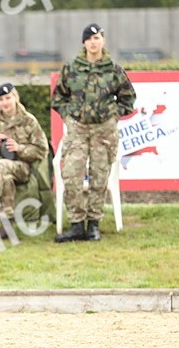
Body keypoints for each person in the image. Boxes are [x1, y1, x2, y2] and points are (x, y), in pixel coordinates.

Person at [50, 23, 136, 242]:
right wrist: (69, 116)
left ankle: (94, 224)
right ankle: (77, 224)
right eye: (89, 39)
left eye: (97, 38)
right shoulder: (71, 68)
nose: (93, 42)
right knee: (71, 174)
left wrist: (113, 115)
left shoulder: (113, 69)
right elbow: (58, 98)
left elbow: (128, 98)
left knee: (99, 177)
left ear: (103, 41)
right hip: (78, 129)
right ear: (84, 43)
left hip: (103, 131)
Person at [0, 82, 48, 239]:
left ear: (15, 97)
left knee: (2, 166)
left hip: (22, 167)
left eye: (8, 98)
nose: (4, 103)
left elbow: (42, 150)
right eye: (1, 100)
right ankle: (6, 226)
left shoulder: (29, 121)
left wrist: (19, 148)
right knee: (5, 177)